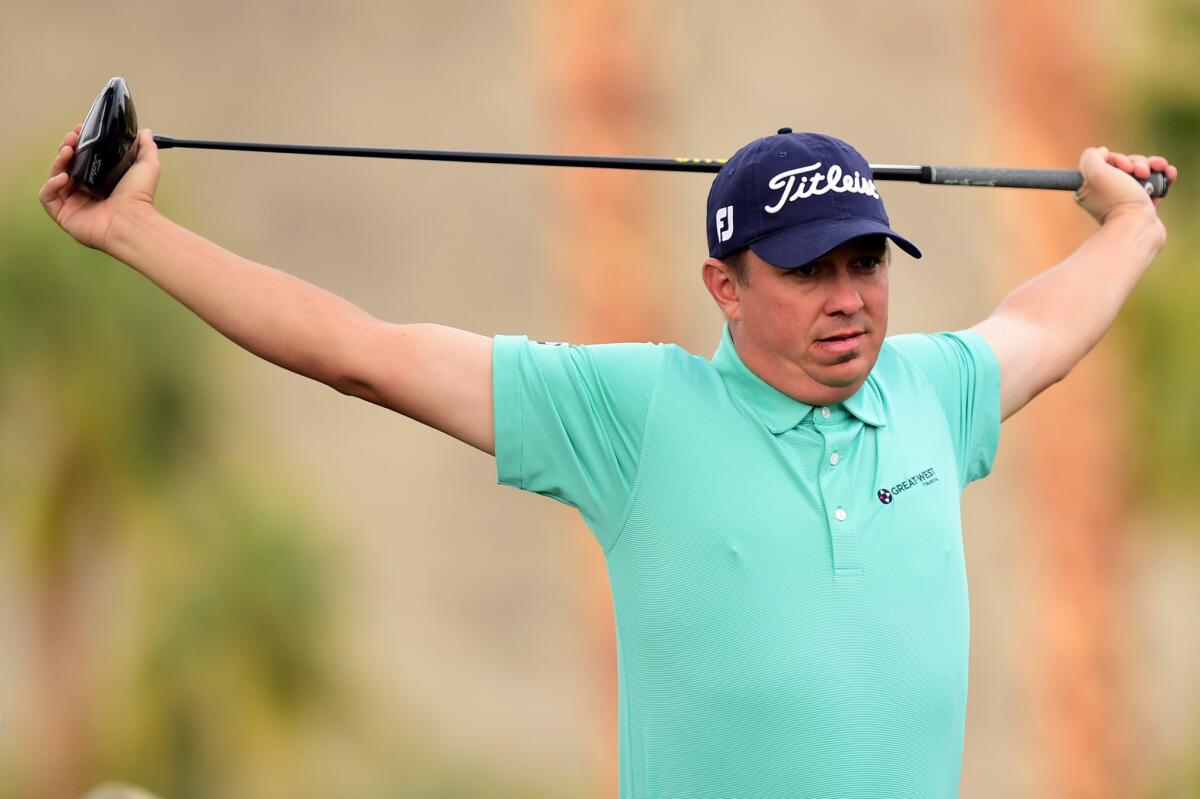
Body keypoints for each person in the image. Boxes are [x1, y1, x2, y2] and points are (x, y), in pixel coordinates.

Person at [40, 124, 1176, 798]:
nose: (851, 300)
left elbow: (1046, 325)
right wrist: (130, 228)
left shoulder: (932, 388)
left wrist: (1128, 223)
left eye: (868, 263)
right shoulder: (633, 411)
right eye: (810, 271)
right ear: (724, 287)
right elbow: (362, 354)